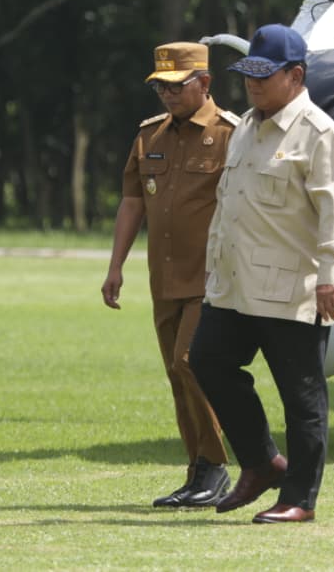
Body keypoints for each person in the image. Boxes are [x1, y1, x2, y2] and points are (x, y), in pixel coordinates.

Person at [189, 23, 334, 524]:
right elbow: (229, 204)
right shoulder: (245, 126)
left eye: (265, 75)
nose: (253, 84)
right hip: (234, 284)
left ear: (296, 76)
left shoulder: (320, 135)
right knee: (207, 361)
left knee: (302, 397)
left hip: (293, 287)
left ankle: (299, 498)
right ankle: (261, 463)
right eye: (248, 74)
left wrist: (330, 276)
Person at [101, 41, 238, 508]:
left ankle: (215, 466)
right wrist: (115, 266)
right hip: (164, 279)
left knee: (189, 363)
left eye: (177, 86)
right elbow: (133, 202)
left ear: (205, 82)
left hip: (212, 279)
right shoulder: (149, 136)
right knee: (176, 374)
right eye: (161, 86)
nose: (168, 94)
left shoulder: (230, 134)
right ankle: (197, 470)